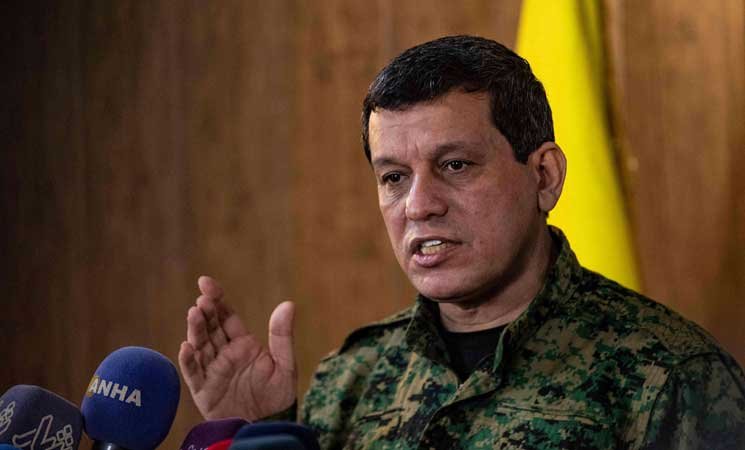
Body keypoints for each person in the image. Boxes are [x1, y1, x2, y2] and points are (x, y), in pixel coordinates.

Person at [178, 35, 745, 449]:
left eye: (455, 164)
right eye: (394, 177)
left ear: (544, 176)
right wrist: (255, 432)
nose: (419, 205)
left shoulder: (672, 377)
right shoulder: (350, 380)